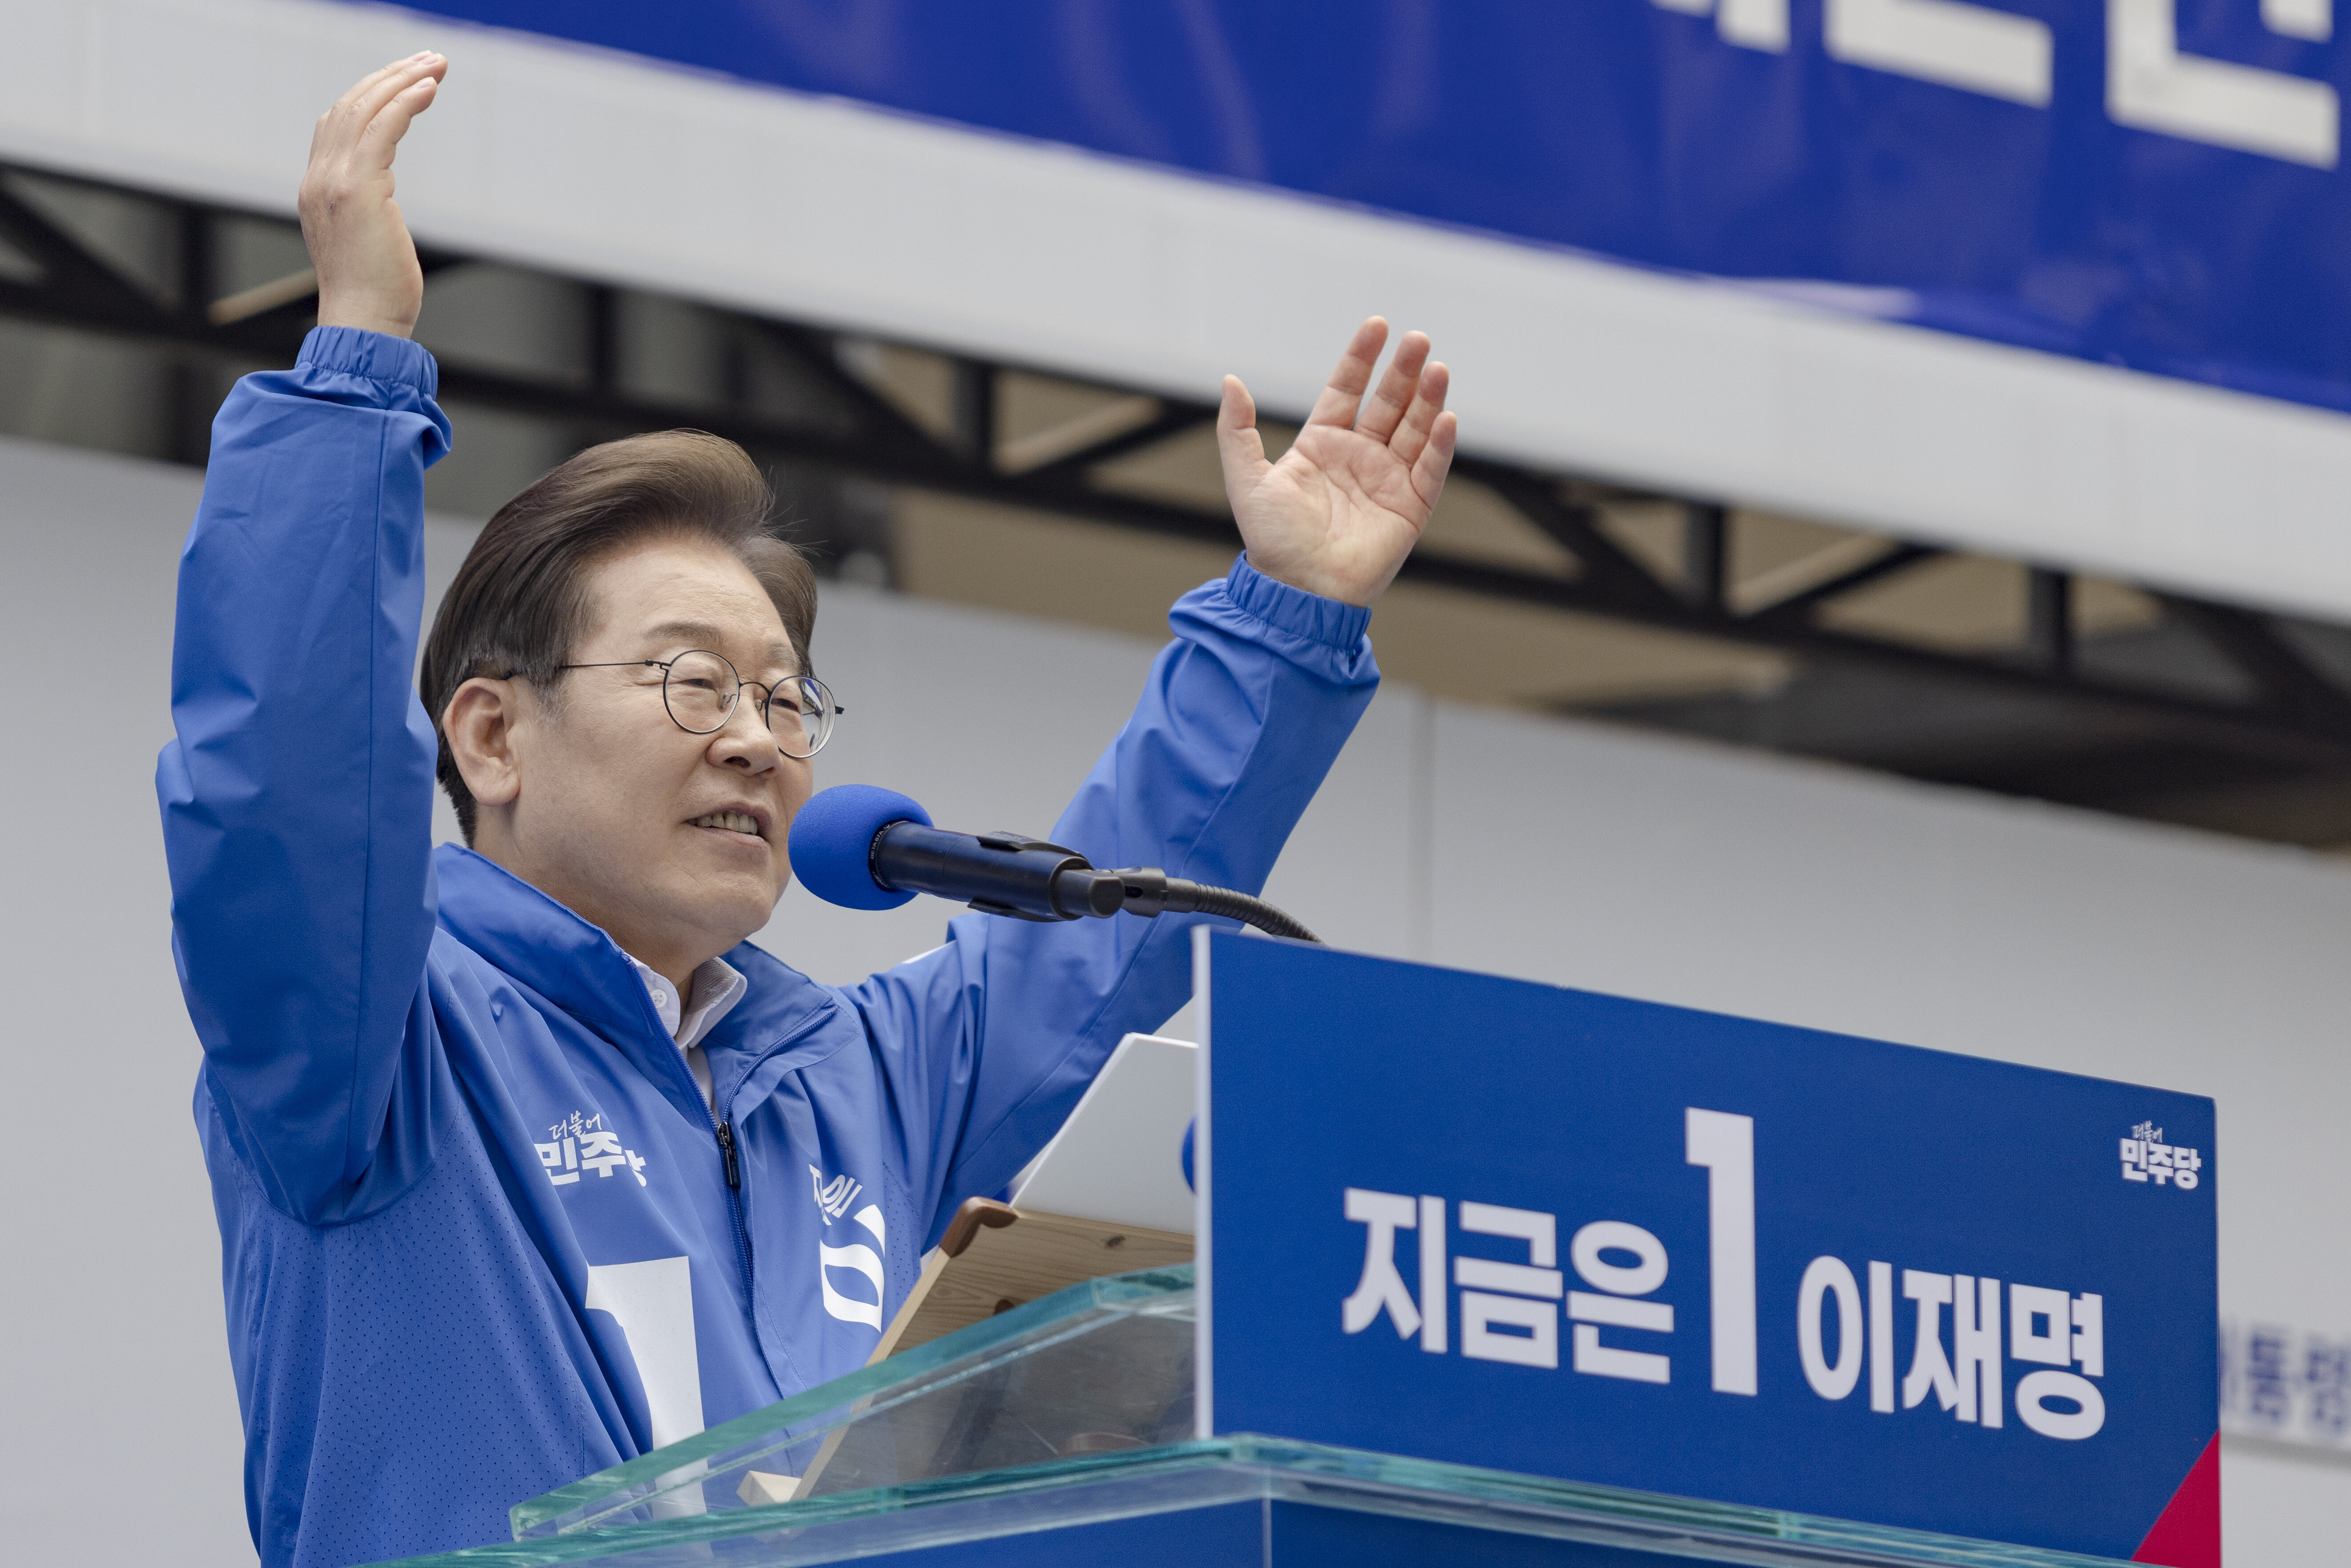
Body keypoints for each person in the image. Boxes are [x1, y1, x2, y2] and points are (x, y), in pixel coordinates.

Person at [161, 52, 1458, 1568]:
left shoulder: (855, 1074)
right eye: (693, 684)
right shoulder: (372, 1044)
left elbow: (1098, 948)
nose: (759, 744)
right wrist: (357, 368)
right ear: (494, 736)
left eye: (786, 701)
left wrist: (1287, 617)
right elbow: (288, 801)